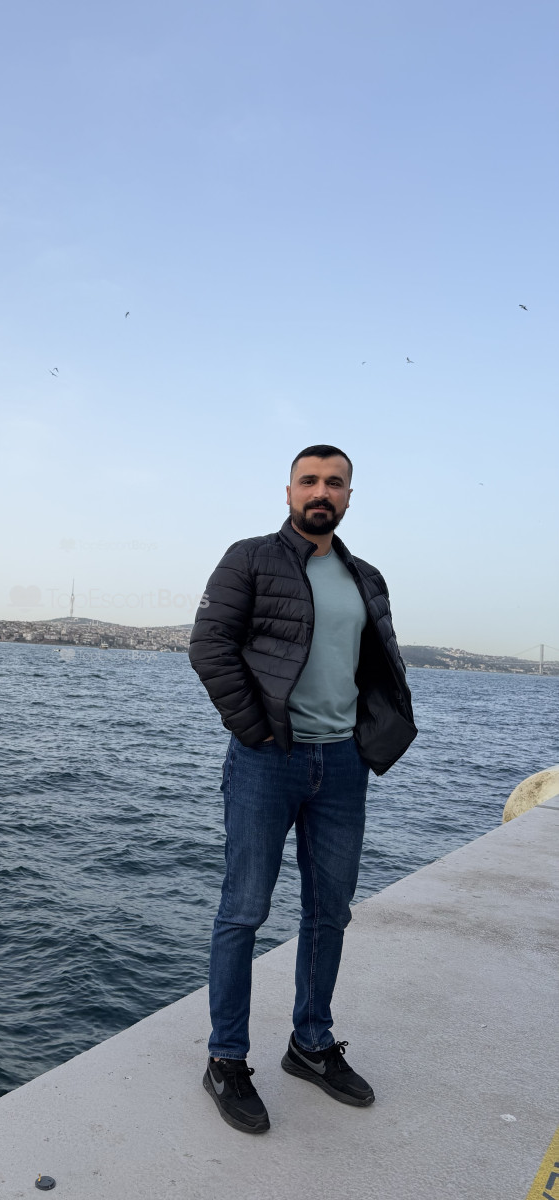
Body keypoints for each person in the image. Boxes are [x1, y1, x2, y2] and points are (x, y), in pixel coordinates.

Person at [189, 444, 416, 1134]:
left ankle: (311, 1044)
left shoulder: (365, 576)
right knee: (244, 910)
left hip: (342, 766)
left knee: (330, 913)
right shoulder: (250, 559)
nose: (322, 491)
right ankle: (226, 1059)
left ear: (349, 496)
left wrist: (376, 735)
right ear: (288, 491)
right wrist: (256, 730)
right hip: (268, 761)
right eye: (309, 481)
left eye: (335, 483)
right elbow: (210, 645)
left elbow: (377, 663)